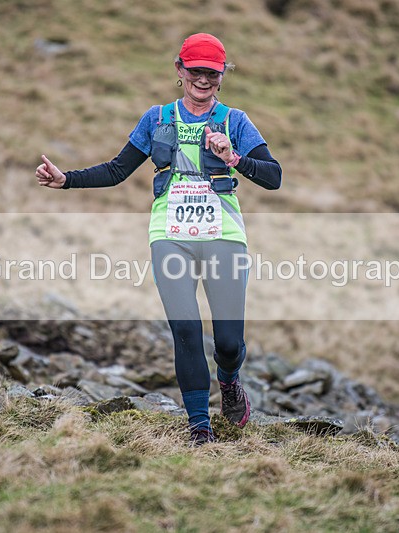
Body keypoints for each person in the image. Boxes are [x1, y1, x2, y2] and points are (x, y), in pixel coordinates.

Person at [36, 33, 282, 445]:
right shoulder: (156, 118)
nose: (202, 80)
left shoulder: (235, 121)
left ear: (222, 77)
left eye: (211, 73)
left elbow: (273, 177)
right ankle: (200, 427)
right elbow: (117, 170)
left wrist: (233, 158)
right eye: (195, 71)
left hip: (223, 235)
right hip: (170, 236)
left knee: (227, 341)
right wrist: (66, 181)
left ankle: (229, 380)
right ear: (179, 70)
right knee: (185, 329)